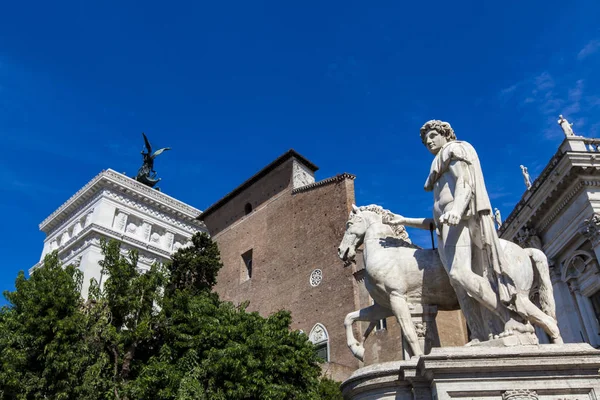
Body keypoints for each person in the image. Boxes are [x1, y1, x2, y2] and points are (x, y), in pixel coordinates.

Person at [384, 120, 528, 340]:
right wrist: (404, 220)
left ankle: (510, 319)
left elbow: (465, 182)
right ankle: (480, 335)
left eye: (432, 136)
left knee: (459, 274)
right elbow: (433, 222)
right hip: (448, 226)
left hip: (458, 220)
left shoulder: (452, 150)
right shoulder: (438, 166)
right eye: (425, 140)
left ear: (445, 134)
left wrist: (457, 210)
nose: (429, 142)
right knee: (460, 287)